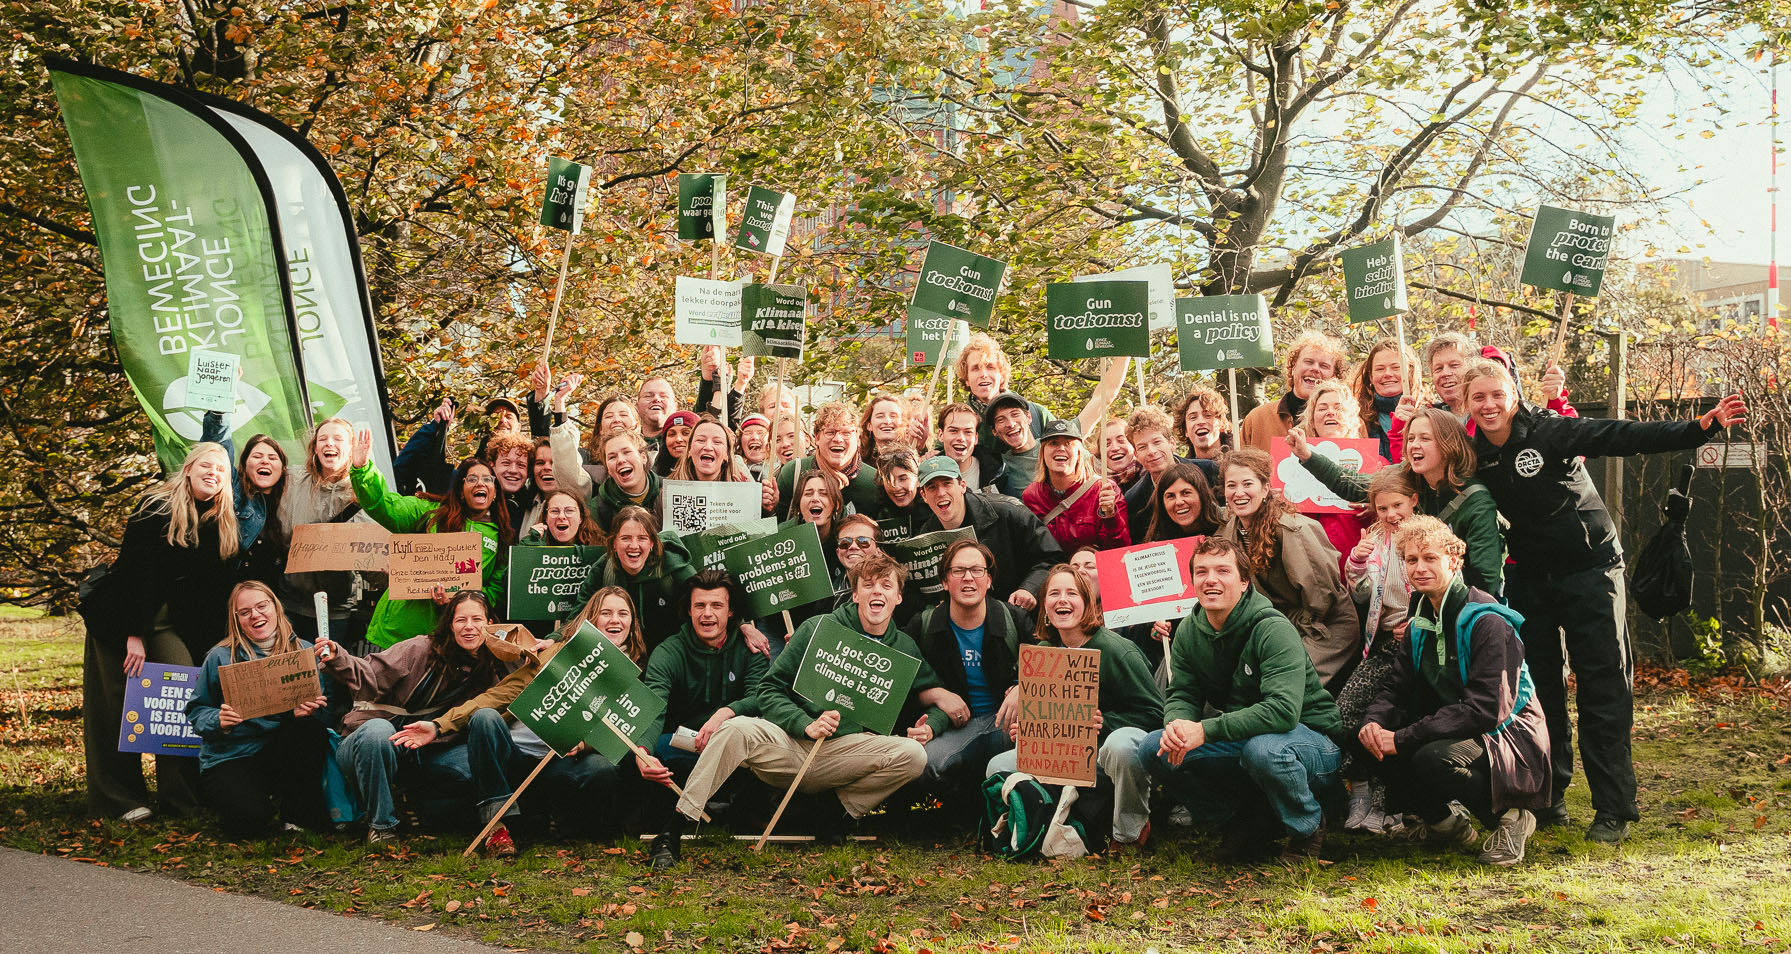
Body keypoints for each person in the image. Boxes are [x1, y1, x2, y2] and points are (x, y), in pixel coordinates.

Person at [1463, 358, 1748, 843]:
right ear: (1467, 406)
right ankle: (1549, 797)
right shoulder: (1474, 456)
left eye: (1497, 394)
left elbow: (1621, 436)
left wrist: (1698, 429)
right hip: (1531, 579)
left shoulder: (1552, 433)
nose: (1489, 405)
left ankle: (1614, 808)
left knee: (1603, 685)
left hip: (1592, 571)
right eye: (1478, 398)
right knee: (1541, 692)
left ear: (1513, 394)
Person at [664, 554, 946, 842]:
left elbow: (936, 698)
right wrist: (804, 723)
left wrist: (931, 725)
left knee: (913, 755)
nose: (877, 591)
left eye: (886, 586)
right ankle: (675, 827)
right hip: (789, 745)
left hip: (843, 755)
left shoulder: (903, 648)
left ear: (898, 597)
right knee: (734, 728)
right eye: (868, 584)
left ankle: (834, 814)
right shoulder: (817, 628)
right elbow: (769, 689)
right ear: (855, 594)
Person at [1359, 516, 1551, 866]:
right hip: (1457, 727)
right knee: (1371, 744)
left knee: (1431, 757)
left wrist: (1402, 737)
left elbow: (1486, 709)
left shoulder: (1488, 621)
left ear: (1453, 559)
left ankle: (1511, 818)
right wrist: (1374, 724)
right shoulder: (1419, 622)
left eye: (1430, 558)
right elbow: (1395, 687)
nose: (1420, 568)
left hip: (1507, 734)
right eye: (1411, 560)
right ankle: (1446, 825)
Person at [1141, 537, 1344, 863]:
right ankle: (1241, 820)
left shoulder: (1272, 629)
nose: (1211, 579)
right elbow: (1183, 693)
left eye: (1223, 570)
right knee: (1155, 748)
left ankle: (1306, 827)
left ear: (1244, 581)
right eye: (1201, 571)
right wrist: (1177, 724)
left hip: (1312, 742)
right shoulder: (1189, 632)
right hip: (1246, 738)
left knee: (1265, 749)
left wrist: (1205, 730)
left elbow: (1282, 712)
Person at [410, 592, 636, 856]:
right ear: (591, 619)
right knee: (484, 719)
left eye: (622, 614)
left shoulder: (635, 669)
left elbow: (627, 728)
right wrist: (439, 726)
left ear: (633, 622)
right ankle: (497, 827)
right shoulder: (558, 653)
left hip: (560, 761)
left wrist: (586, 743)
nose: (614, 620)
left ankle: (558, 819)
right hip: (516, 753)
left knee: (601, 768)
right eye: (606, 613)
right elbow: (499, 695)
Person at [83, 442, 238, 821]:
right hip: (121, 617)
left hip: (171, 624)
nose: (213, 472)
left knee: (179, 696)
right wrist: (132, 634)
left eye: (221, 469)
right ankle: (119, 798)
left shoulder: (222, 521)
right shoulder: (156, 506)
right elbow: (135, 573)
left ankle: (180, 799)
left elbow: (211, 591)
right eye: (206, 464)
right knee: (115, 704)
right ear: (188, 468)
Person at [987, 565, 1162, 851]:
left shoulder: (1119, 650)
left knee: (1121, 745)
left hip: (1107, 758)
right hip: (1062, 756)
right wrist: (1030, 733)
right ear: (1045, 606)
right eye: (1054, 593)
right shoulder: (1043, 653)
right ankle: (1036, 824)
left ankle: (1129, 832)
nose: (1062, 600)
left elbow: (1155, 714)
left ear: (1087, 603)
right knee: (998, 766)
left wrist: (1104, 722)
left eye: (1072, 593)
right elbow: (1045, 717)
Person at [319, 591, 506, 844]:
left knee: (468, 765)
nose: (469, 627)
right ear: (450, 624)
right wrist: (338, 657)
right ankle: (381, 827)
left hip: (429, 748)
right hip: (371, 741)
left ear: (490, 624)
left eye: (477, 619)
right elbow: (369, 673)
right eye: (461, 620)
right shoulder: (420, 648)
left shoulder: (490, 666)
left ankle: (417, 801)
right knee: (378, 732)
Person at [1287, 406, 1504, 595]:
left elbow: (1485, 579)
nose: (1414, 445)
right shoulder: (1407, 474)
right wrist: (1307, 455)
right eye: (1411, 438)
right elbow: (1355, 486)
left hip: (1462, 610)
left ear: (1450, 445)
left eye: (1425, 438)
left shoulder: (1477, 502)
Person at [639, 571, 772, 871]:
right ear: (688, 609)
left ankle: (737, 810)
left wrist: (726, 713)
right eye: (699, 606)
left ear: (732, 610)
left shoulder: (749, 647)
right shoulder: (669, 651)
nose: (707, 614)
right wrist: (643, 753)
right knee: (656, 751)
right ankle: (669, 823)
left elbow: (760, 698)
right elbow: (653, 705)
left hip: (739, 747)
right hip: (688, 747)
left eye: (716, 605)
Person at [186, 582, 331, 837]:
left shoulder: (304, 651)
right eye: (245, 612)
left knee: (309, 730)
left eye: (261, 606)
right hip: (233, 753)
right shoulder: (219, 656)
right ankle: (248, 803)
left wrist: (304, 712)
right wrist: (218, 720)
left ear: (276, 607)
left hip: (279, 747)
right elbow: (196, 710)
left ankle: (295, 814)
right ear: (237, 620)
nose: (255, 615)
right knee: (247, 825)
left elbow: (322, 712)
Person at [348, 429, 508, 650]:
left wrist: (461, 599)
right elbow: (386, 506)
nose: (480, 483)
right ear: (461, 490)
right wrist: (362, 469)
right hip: (396, 631)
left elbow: (494, 591)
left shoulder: (502, 536)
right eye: (472, 479)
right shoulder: (431, 514)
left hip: (446, 642)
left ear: (494, 491)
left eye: (487, 479)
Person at [1216, 449, 1361, 690]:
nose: (1238, 493)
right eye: (1232, 485)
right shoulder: (1231, 531)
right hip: (1279, 624)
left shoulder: (1292, 530)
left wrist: (1279, 634)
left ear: (1264, 489)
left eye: (1247, 484)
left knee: (1280, 685)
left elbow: (1322, 597)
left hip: (1324, 626)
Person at [1333, 467, 1421, 833]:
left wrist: (1417, 625)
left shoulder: (1427, 537)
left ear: (1414, 500)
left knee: (1397, 719)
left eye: (1397, 505)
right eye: (1382, 508)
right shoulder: (1375, 537)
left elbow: (1448, 587)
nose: (1391, 515)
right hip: (1382, 644)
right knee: (1346, 714)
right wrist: (1355, 563)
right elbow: (1362, 595)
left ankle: (1391, 804)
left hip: (1419, 646)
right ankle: (1364, 789)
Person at [908, 542, 1032, 801]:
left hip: (1006, 724)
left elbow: (1049, 668)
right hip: (953, 727)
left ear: (988, 580)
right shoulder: (924, 625)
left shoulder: (1014, 620)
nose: (968, 578)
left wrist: (1024, 688)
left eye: (977, 570)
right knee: (923, 764)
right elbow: (903, 685)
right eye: (958, 570)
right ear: (944, 581)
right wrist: (937, 695)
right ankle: (959, 807)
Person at [279, 417, 387, 653]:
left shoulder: (365, 494)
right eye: (323, 439)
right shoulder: (291, 482)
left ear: (351, 448)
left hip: (334, 609)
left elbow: (378, 560)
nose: (330, 444)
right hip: (289, 601)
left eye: (338, 439)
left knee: (328, 674)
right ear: (315, 448)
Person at [914, 457, 1062, 611]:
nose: (941, 493)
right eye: (932, 487)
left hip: (1018, 614)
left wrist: (1029, 588)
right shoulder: (925, 537)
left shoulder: (1008, 512)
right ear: (923, 495)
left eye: (947, 483)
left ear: (962, 486)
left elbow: (1052, 558)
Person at [571, 506, 697, 650]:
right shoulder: (604, 567)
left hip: (670, 652)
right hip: (625, 653)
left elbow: (705, 598)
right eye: (626, 538)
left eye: (642, 538)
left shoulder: (674, 564)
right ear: (614, 544)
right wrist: (555, 639)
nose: (634, 546)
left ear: (652, 544)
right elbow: (579, 614)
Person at [1291, 379, 1371, 571]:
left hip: (1358, 568)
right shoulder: (1289, 464)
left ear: (1352, 416)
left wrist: (1378, 507)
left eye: (1338, 407)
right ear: (1311, 418)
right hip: (1308, 569)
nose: (1330, 412)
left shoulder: (1375, 463)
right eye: (1322, 408)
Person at [1021, 419, 1129, 553]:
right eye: (1053, 443)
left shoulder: (1105, 489)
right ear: (1042, 452)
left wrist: (1111, 517)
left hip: (1093, 570)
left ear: (1079, 453)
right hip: (1053, 571)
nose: (1061, 448)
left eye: (1068, 444)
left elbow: (1120, 551)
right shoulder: (1031, 495)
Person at [767, 401, 881, 517]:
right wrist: (770, 509)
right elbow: (776, 528)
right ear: (817, 437)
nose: (838, 439)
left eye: (846, 433)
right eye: (830, 432)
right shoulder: (793, 473)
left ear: (857, 439)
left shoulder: (875, 482)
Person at [1238, 331, 1347, 452]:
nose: (1315, 369)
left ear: (1334, 376)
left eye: (1324, 366)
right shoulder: (1258, 419)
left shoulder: (1349, 421)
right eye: (1309, 362)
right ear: (1293, 367)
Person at [1121, 405, 1210, 543]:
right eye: (1142, 447)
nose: (1151, 451)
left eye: (1157, 442)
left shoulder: (1209, 472)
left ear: (1171, 443)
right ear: (1136, 454)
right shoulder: (1134, 500)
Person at [1350, 338, 1416, 460]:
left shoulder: (1428, 414)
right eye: (1380, 369)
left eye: (1396, 367)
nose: (1388, 374)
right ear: (1370, 377)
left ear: (1410, 372)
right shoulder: (1355, 419)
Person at [1141, 462, 1223, 544]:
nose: (1179, 502)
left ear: (1202, 495)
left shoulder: (1228, 526)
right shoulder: (1157, 541)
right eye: (1170, 496)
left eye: (1186, 493)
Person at [935, 401, 1003, 493]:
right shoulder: (927, 474)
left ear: (976, 438)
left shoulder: (997, 473)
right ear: (941, 435)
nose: (961, 438)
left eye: (968, 432)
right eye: (953, 431)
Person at [670, 417, 754, 484]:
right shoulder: (667, 492)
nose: (708, 447)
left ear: (726, 454)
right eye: (701, 440)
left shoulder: (742, 490)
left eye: (717, 442)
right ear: (689, 450)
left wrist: (748, 498)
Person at [868, 444, 925, 542]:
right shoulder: (879, 513)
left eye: (903, 479)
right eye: (888, 479)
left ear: (918, 479)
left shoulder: (933, 510)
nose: (896, 487)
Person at [1174, 386, 1233, 463]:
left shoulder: (1239, 464)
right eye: (1193, 417)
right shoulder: (1182, 472)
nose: (1200, 422)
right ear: (1185, 431)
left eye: (1208, 415)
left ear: (1222, 424)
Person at [635, 376, 679, 458]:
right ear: (637, 406)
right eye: (648, 396)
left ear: (675, 406)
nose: (656, 399)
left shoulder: (684, 441)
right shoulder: (627, 443)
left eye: (664, 396)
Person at [860, 394, 908, 463]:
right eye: (880, 416)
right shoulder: (859, 461)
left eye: (893, 416)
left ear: (902, 422)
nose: (887, 421)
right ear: (869, 425)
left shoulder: (910, 457)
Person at [653, 410, 700, 477]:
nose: (678, 439)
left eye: (686, 433)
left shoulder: (711, 471)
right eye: (672, 434)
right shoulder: (653, 474)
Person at [738, 414, 773, 480]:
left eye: (761, 433)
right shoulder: (733, 470)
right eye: (748, 433)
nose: (754, 437)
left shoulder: (780, 470)